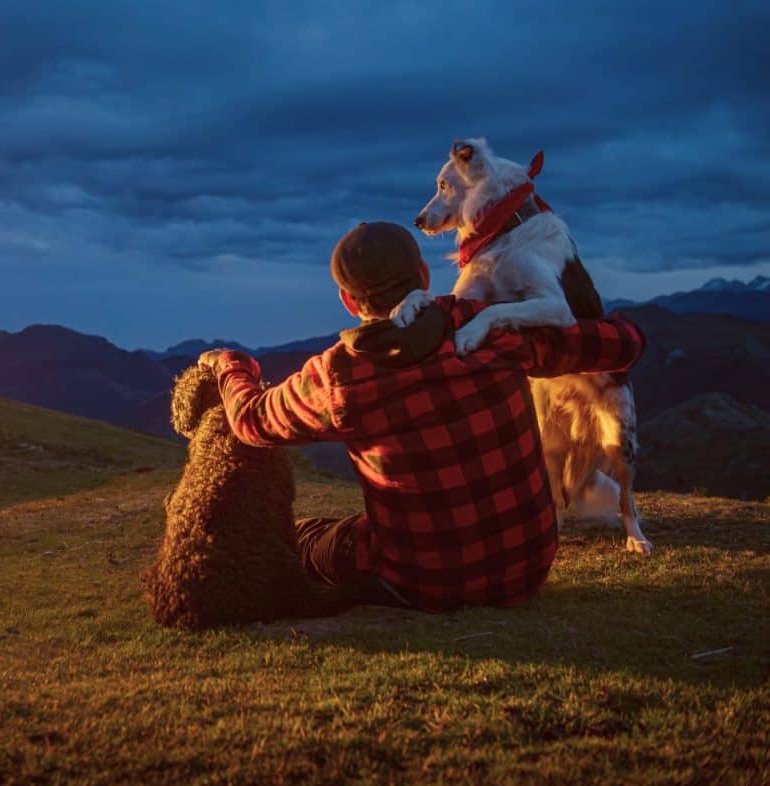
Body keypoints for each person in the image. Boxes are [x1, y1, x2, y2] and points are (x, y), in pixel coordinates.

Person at [197, 221, 646, 612]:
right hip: (526, 568)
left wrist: (231, 364)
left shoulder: (337, 377)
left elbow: (250, 421)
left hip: (424, 584)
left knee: (308, 538)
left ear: (348, 301)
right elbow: (615, 345)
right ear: (425, 276)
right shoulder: (488, 328)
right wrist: (620, 326)